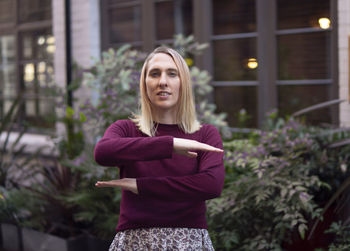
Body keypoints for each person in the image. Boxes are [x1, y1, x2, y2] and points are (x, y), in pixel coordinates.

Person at [94, 46, 225, 251]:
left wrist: (141, 186)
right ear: (145, 84)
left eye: (172, 74)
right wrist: (171, 145)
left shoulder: (205, 134)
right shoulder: (126, 129)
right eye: (154, 74)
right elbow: (103, 153)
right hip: (135, 242)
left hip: (188, 243)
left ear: (183, 83)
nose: (162, 81)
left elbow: (211, 185)